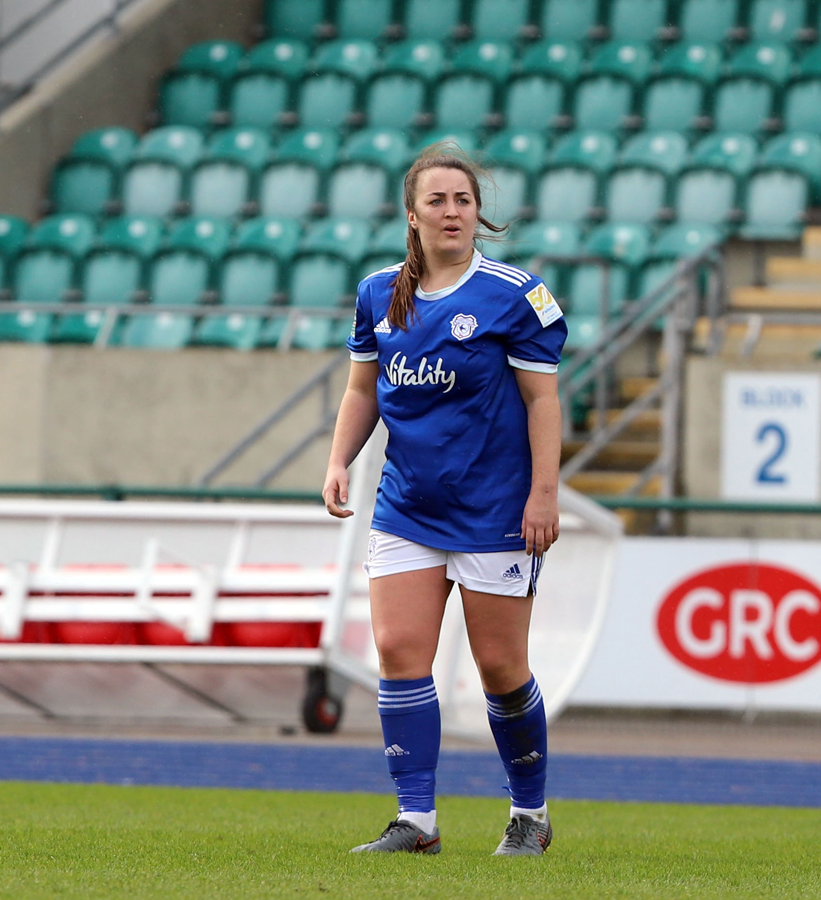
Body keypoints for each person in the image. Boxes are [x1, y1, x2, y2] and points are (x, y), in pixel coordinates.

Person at [323, 145, 567, 857]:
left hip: (495, 510)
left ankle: (530, 814)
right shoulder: (378, 293)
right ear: (413, 214)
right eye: (438, 200)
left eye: (463, 199)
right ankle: (417, 821)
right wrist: (339, 459)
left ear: (477, 212)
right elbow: (362, 388)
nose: (452, 211)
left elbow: (543, 402)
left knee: (499, 667)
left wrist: (542, 496)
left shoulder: (515, 295)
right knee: (399, 650)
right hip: (408, 506)